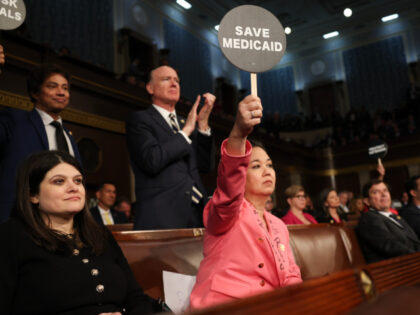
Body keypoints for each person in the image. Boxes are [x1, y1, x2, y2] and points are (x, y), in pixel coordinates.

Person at [0, 150, 159, 314]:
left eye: (78, 181)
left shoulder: (100, 235)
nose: (73, 188)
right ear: (33, 195)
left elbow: (136, 298)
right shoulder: (10, 237)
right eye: (59, 181)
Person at [189, 95, 302, 309]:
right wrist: (238, 134)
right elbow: (229, 186)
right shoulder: (225, 211)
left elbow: (291, 274)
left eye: (269, 165)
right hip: (225, 307)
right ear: (242, 174)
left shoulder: (278, 224)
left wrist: (299, 302)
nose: (267, 171)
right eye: (257, 166)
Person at [126, 65, 214, 230]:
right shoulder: (140, 120)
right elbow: (152, 160)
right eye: (166, 79)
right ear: (150, 88)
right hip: (162, 217)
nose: (174, 84)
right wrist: (187, 131)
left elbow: (205, 165)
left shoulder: (184, 122)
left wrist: (202, 125)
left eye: (177, 81)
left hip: (197, 215)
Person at [0, 63, 82, 223]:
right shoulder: (15, 121)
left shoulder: (69, 136)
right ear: (35, 92)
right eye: (53, 86)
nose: (61, 92)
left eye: (65, 88)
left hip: (63, 226)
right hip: (19, 221)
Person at [357, 179, 420, 263]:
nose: (383, 194)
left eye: (385, 190)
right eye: (376, 192)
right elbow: (391, 247)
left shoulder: (395, 216)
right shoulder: (369, 218)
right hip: (394, 268)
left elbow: (415, 241)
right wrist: (417, 257)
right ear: (367, 201)